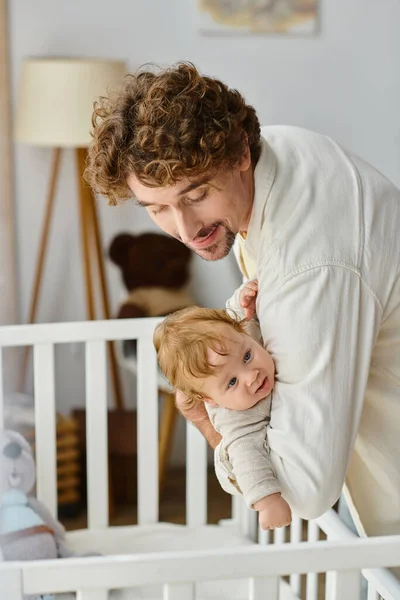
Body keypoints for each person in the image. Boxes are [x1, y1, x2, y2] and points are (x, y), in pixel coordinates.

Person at [85, 62, 400, 542]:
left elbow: (303, 491)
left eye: (196, 195)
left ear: (240, 156)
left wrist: (216, 431)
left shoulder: (308, 266)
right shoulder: (285, 147)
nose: (184, 230)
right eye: (157, 208)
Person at [153, 299, 292, 531]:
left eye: (247, 357)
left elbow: (238, 311)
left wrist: (246, 298)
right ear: (210, 400)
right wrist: (268, 503)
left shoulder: (243, 334)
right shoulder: (237, 422)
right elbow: (248, 461)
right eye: (232, 382)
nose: (251, 376)